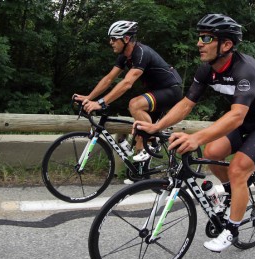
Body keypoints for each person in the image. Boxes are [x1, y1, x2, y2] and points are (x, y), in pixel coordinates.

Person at [134, 13, 255, 252]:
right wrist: (156, 126)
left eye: (206, 38)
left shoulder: (245, 70)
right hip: (244, 120)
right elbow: (185, 104)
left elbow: (237, 115)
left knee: (237, 170)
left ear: (226, 44)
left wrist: (195, 137)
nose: (198, 43)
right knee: (213, 152)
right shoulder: (206, 70)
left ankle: (232, 229)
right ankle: (233, 193)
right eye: (199, 37)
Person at [74, 20, 183, 162]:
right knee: (139, 136)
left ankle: (153, 142)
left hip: (171, 91)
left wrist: (100, 103)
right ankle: (140, 177)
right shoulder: (124, 57)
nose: (110, 42)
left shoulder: (142, 53)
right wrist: (89, 97)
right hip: (157, 93)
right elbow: (109, 79)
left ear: (126, 39)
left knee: (135, 104)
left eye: (113, 38)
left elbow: (127, 83)